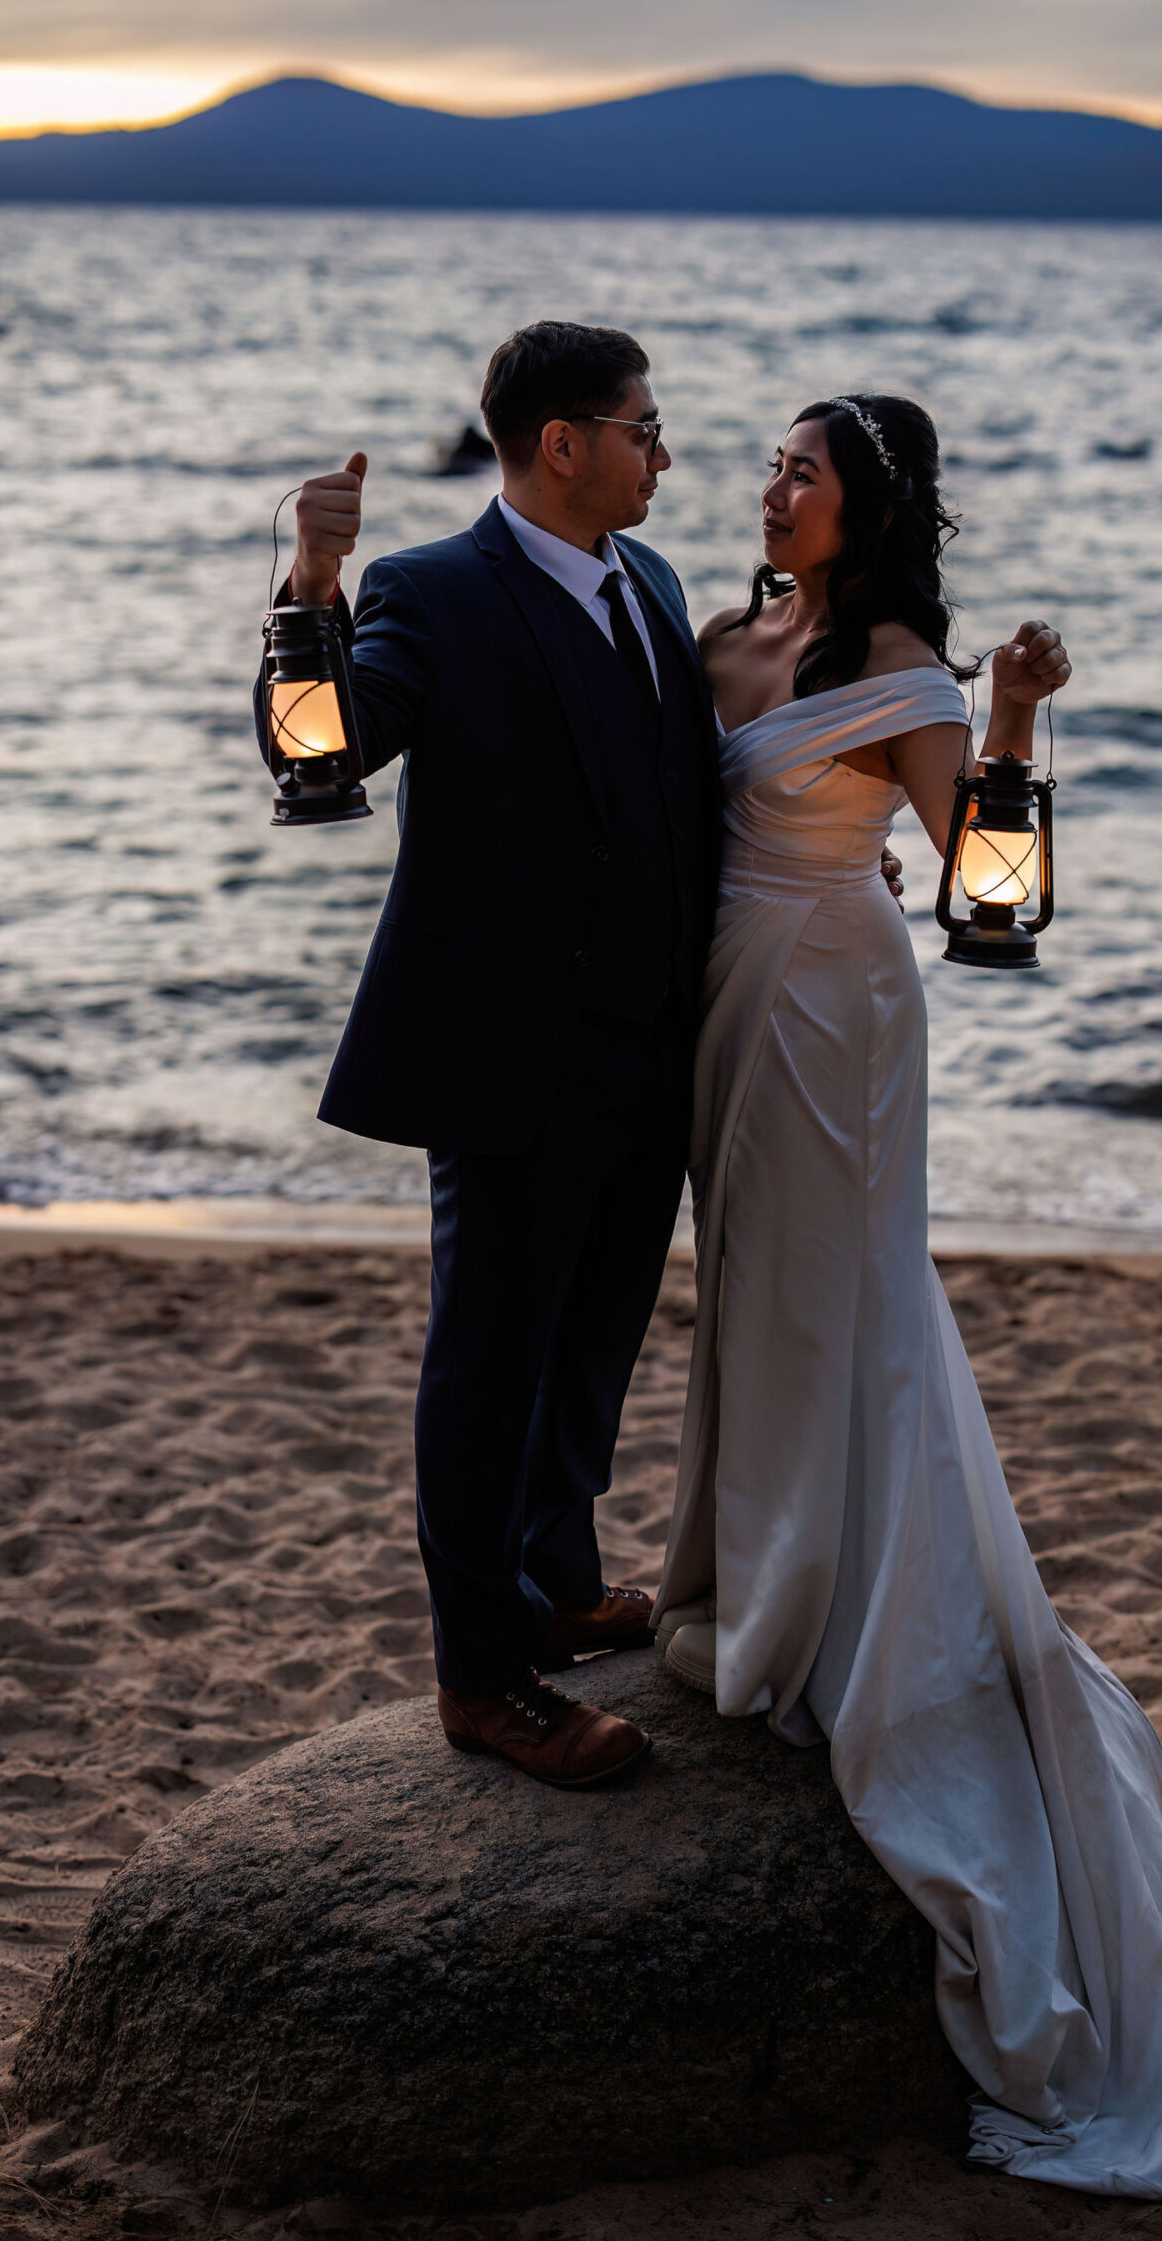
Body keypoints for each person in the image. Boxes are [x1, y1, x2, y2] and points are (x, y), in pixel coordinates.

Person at [651, 393, 1162, 2197]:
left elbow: (991, 895)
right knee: (753, 1299)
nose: (772, 487)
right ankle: (747, 1570)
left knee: (844, 1313)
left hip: (840, 1005)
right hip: (722, 1003)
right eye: (768, 462)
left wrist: (1004, 725)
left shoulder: (903, 667)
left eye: (804, 469)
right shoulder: (717, 634)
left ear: (872, 506)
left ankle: (823, 1615)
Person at [259, 321, 722, 1788]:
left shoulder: (651, 579)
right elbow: (314, 751)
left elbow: (680, 791)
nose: (663, 452)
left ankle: (559, 1578)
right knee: (489, 1365)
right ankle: (482, 1677)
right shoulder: (433, 591)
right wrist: (313, 585)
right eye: (645, 427)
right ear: (566, 443)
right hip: (511, 1058)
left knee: (594, 1342)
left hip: (654, 1048)